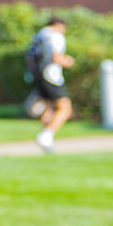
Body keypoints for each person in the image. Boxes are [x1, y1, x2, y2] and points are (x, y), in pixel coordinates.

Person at [26, 16, 75, 152]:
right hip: (51, 77)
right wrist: (69, 61)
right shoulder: (55, 36)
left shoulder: (39, 36)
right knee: (65, 108)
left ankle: (47, 142)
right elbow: (57, 58)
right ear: (59, 25)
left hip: (37, 76)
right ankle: (46, 136)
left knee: (48, 108)